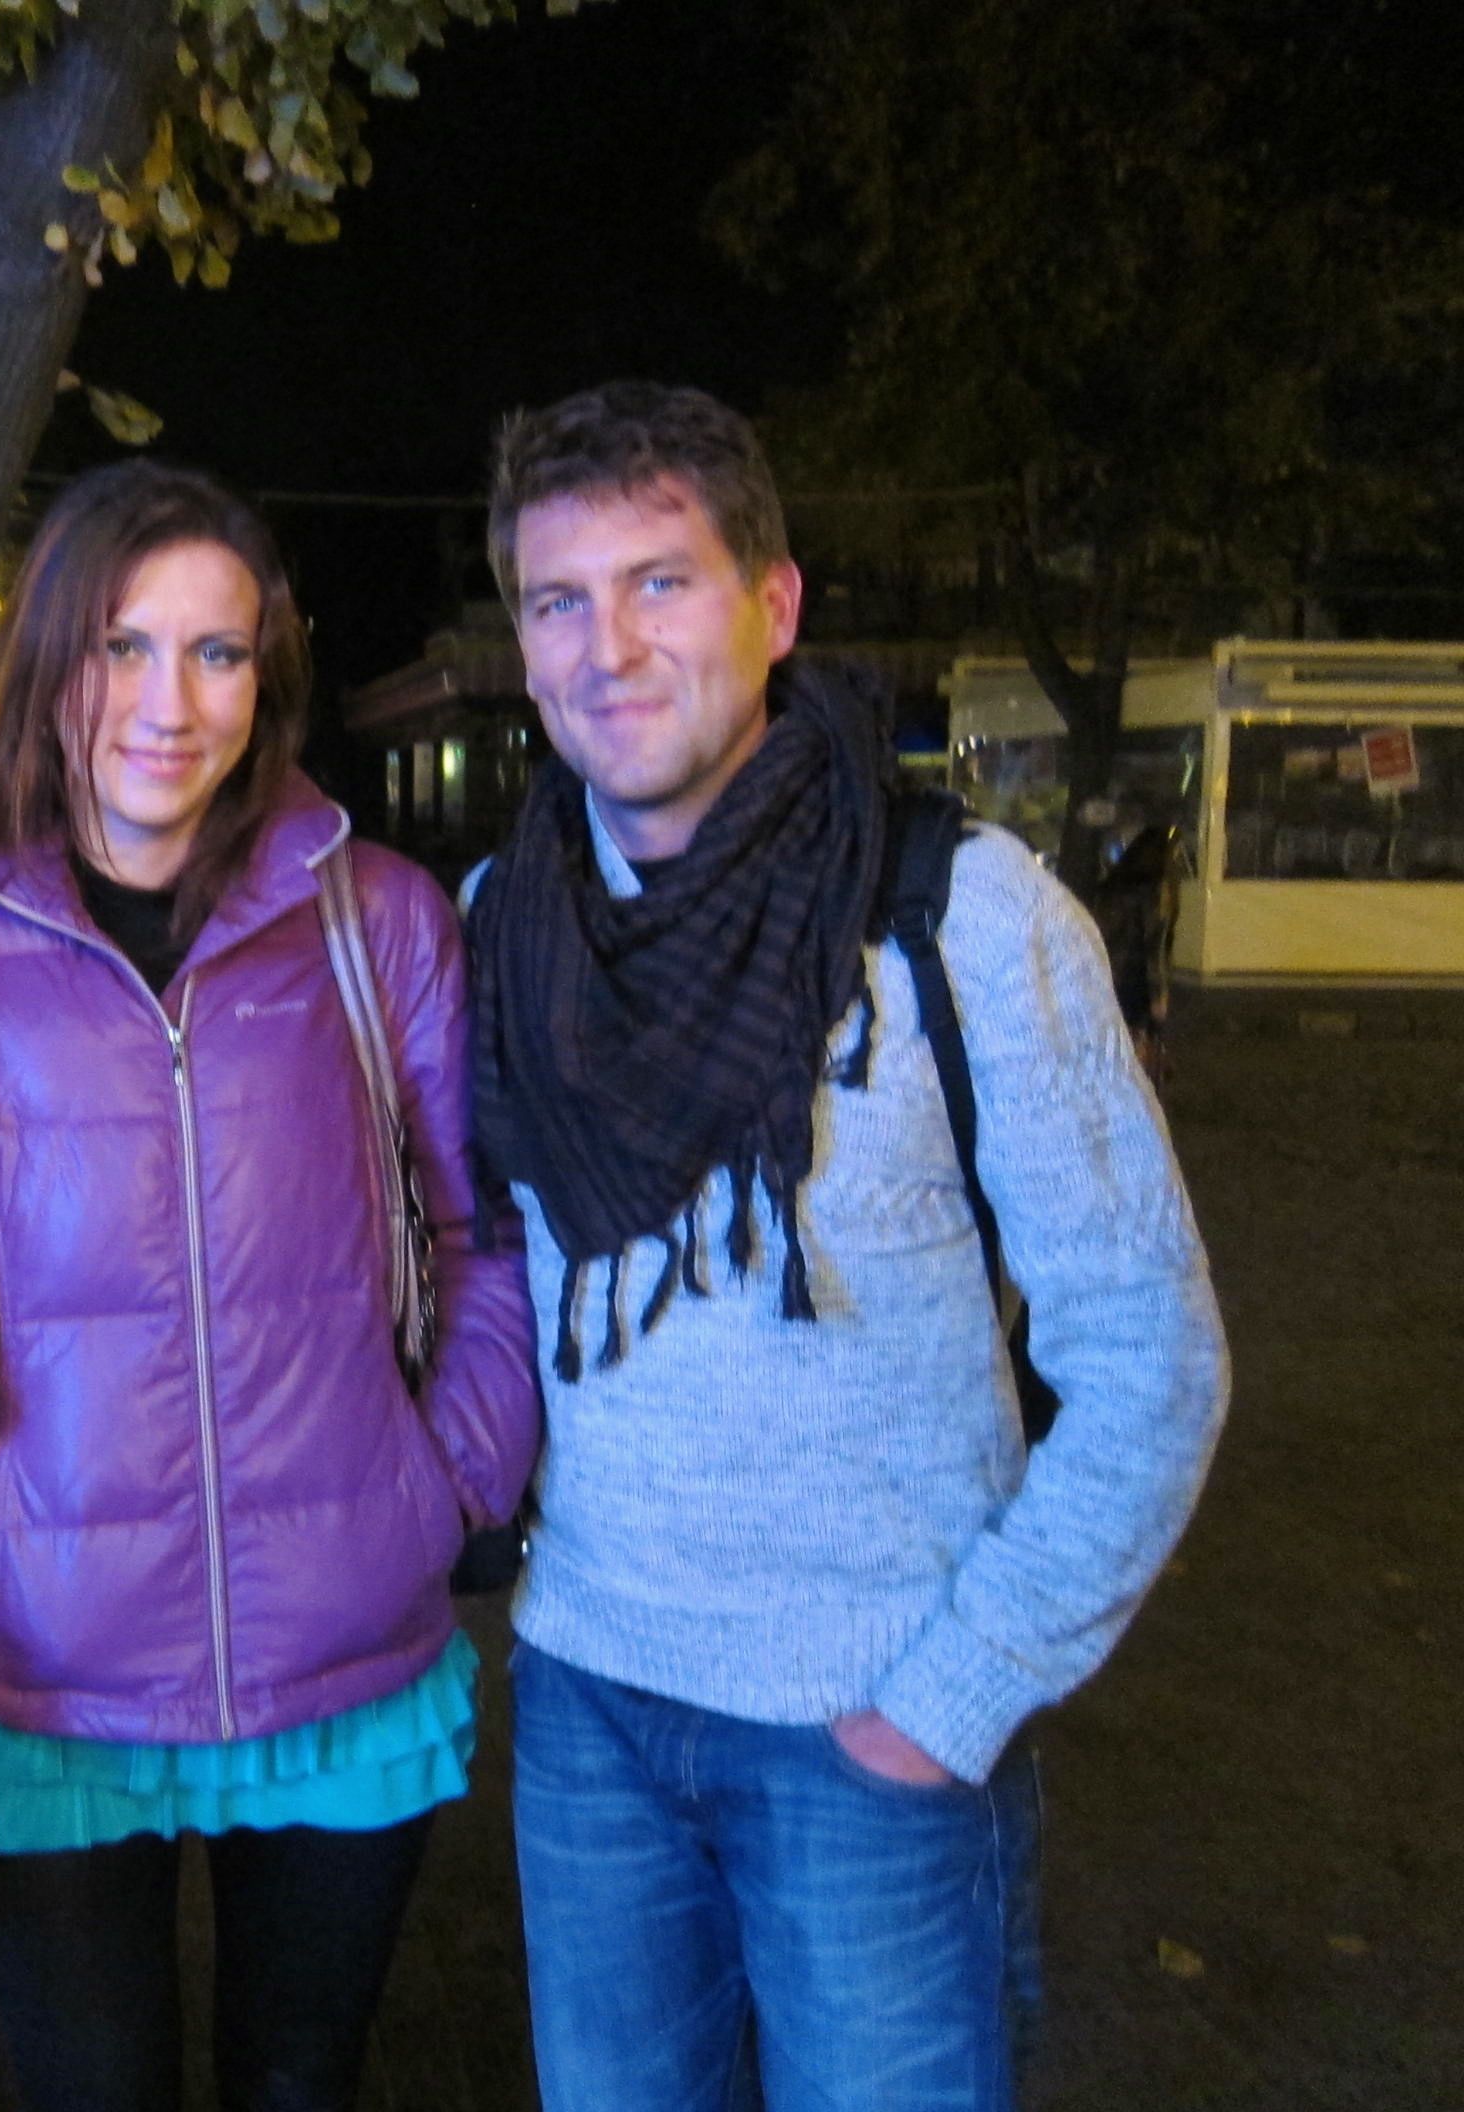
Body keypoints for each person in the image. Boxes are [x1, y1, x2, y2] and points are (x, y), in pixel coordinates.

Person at [464, 382, 1231, 2109]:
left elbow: (1150, 1355)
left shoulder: (958, 915)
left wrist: (952, 1699)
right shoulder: (504, 926)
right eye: (559, 600)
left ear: (776, 603)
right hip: (588, 1709)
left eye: (661, 582)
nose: (608, 647)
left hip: (871, 1726)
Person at [0, 461, 541, 2112]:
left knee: (298, 2088)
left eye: (218, 653)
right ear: (48, 662)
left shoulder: (376, 921)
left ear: (269, 678)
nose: (168, 705)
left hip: (342, 1649)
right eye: (122, 646)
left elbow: (486, 1235)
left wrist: (446, 1483)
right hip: (42, 1664)